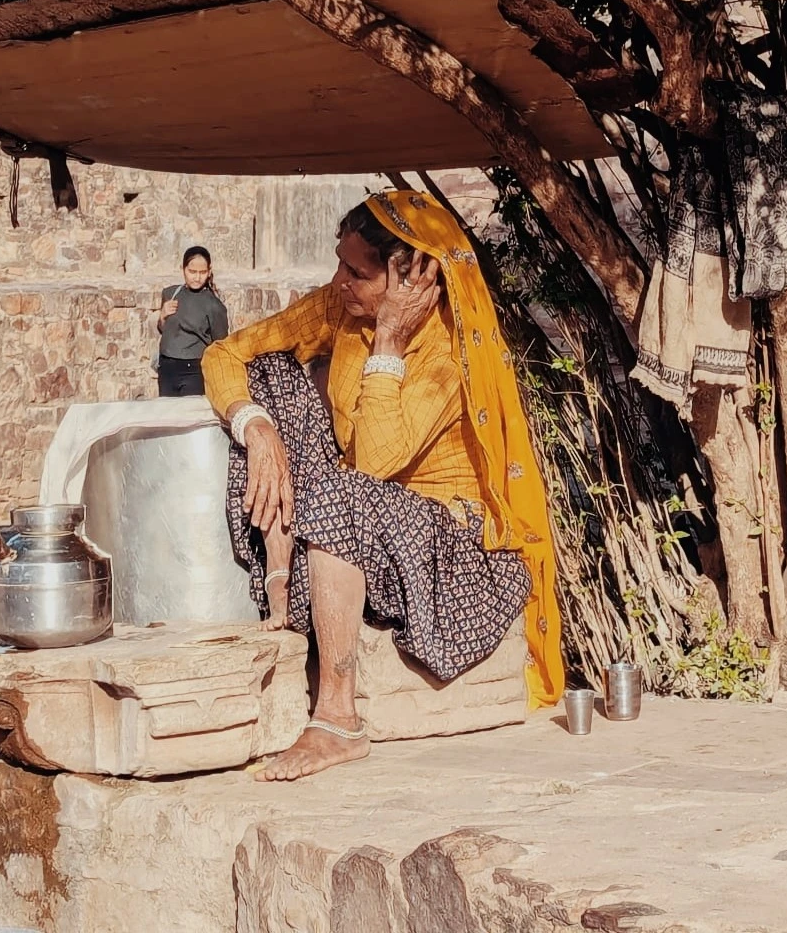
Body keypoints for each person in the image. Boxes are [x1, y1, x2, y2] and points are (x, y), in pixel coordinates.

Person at [201, 190, 562, 781]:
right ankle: (281, 576)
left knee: (343, 492)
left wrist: (390, 343)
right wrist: (254, 425)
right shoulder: (340, 309)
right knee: (269, 377)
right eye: (340, 265)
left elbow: (372, 465)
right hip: (366, 518)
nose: (339, 283)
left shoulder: (449, 352)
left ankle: (338, 718)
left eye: (357, 273)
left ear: (407, 280)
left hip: (449, 547)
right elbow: (226, 351)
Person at [156, 246, 228, 397]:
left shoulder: (214, 305)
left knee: (188, 416)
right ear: (182, 269)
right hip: (167, 366)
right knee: (167, 416)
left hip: (194, 370)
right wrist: (162, 316)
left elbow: (220, 343)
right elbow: (164, 330)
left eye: (202, 272)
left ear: (209, 271)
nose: (197, 277)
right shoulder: (170, 294)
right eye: (192, 272)